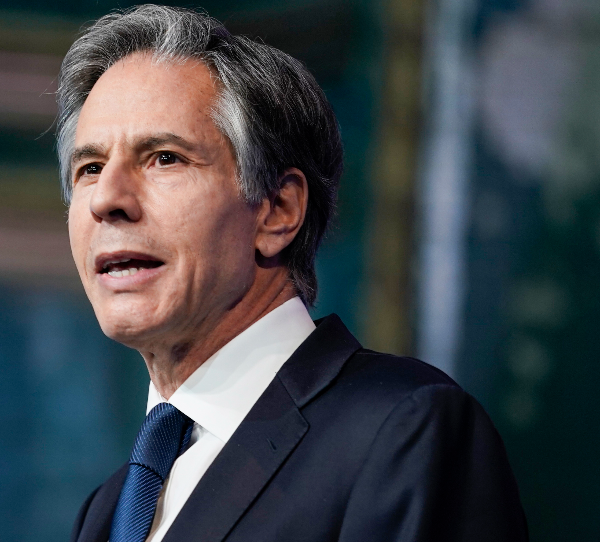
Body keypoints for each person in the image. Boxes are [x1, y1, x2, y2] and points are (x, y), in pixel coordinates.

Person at [59, 5, 528, 542]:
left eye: (165, 157)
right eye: (90, 167)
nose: (107, 199)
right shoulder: (107, 510)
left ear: (278, 211)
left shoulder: (403, 432)